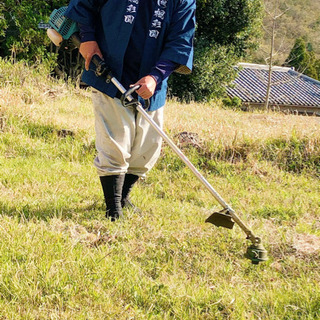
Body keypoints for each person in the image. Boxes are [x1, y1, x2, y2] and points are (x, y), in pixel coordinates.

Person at [65, 0, 196, 220]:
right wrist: (87, 38)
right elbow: (84, 4)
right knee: (115, 141)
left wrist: (156, 77)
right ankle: (113, 208)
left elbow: (181, 39)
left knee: (147, 147)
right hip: (108, 70)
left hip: (151, 82)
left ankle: (123, 197)